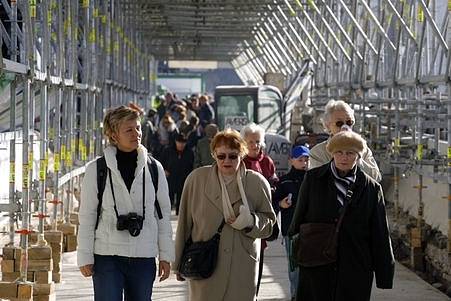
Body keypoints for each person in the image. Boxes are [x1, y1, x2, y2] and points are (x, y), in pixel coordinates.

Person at [77, 105, 174, 301]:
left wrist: (166, 255)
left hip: (144, 256)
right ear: (113, 135)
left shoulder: (154, 168)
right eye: (129, 130)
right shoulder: (96, 170)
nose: (136, 134)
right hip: (107, 256)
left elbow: (162, 215)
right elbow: (87, 215)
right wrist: (85, 256)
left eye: (138, 128)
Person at [288, 131, 394, 301]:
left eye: (350, 153)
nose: (344, 157)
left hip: (355, 265)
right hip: (317, 263)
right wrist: (295, 254)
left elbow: (380, 233)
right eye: (339, 152)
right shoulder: (313, 179)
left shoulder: (371, 189)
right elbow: (299, 219)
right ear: (332, 153)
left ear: (358, 156)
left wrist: (385, 273)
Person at [173, 129, 276, 301]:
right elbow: (184, 224)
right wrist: (177, 265)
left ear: (242, 154)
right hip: (205, 265)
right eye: (221, 156)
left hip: (242, 266)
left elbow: (269, 226)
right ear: (213, 155)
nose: (226, 160)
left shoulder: (257, 183)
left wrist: (251, 221)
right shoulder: (196, 180)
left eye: (233, 156)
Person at [240, 122, 278, 295]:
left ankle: (254, 294)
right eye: (250, 142)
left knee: (258, 264)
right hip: (243, 216)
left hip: (262, 216)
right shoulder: (239, 162)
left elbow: (274, 181)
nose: (254, 145)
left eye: (257, 141)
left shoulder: (267, 161)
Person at [309, 99, 381, 181]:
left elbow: (376, 178)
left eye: (349, 122)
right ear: (328, 126)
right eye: (339, 123)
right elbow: (318, 181)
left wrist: (357, 158)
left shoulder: (363, 149)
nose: (345, 127)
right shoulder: (317, 153)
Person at [273, 145, 310, 301]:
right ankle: (296, 296)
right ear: (291, 160)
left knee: (310, 266)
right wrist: (281, 204)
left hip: (311, 231)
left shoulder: (314, 179)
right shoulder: (284, 182)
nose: (304, 163)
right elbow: (273, 203)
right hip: (292, 232)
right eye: (300, 159)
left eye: (306, 159)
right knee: (295, 268)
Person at [160, 133, 194, 215]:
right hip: (170, 177)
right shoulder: (168, 150)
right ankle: (167, 213)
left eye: (183, 143)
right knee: (169, 196)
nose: (181, 145)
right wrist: (164, 170)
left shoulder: (189, 152)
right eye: (179, 142)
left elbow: (192, 164)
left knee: (181, 197)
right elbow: (161, 162)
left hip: (183, 178)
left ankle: (180, 214)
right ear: (175, 142)